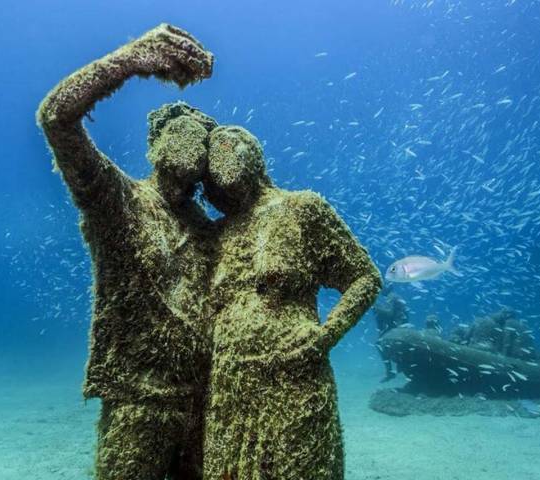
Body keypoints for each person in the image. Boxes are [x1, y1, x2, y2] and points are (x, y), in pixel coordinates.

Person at [36, 24, 216, 480]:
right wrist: (130, 60)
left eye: (204, 134)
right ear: (154, 144)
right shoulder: (117, 201)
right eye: (180, 129)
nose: (194, 138)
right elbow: (56, 118)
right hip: (137, 404)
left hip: (206, 404)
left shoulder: (210, 230)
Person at [200, 126, 382, 480]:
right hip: (228, 391)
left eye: (229, 142)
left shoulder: (302, 209)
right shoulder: (218, 232)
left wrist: (327, 334)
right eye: (214, 152)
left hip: (293, 379)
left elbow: (365, 277)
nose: (223, 155)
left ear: (253, 153)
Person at [372, 285, 407, 381]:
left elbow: (390, 314)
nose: (380, 290)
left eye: (382, 288)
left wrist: (376, 307)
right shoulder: (394, 297)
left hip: (395, 327)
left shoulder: (392, 297)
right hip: (397, 326)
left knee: (379, 345)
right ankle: (398, 366)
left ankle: (389, 371)